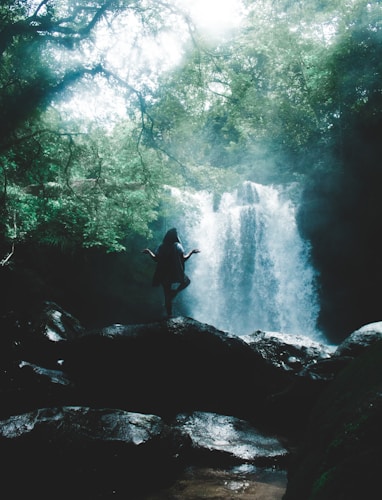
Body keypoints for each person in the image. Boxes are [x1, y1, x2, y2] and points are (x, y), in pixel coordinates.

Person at [142, 228, 200, 317]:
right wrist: (191, 252)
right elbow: (183, 259)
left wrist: (149, 252)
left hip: (163, 273)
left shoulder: (161, 246)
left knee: (166, 294)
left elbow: (156, 259)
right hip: (175, 273)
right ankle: (175, 293)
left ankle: (169, 315)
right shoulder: (178, 246)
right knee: (187, 281)